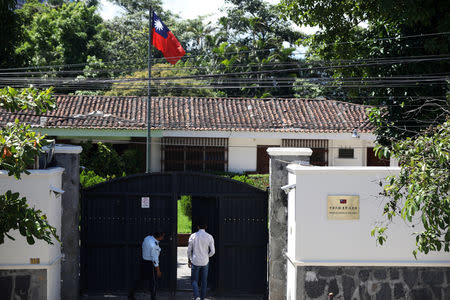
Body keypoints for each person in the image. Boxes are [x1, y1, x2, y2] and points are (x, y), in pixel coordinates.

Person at [129, 231, 165, 300]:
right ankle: (153, 297)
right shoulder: (154, 246)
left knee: (140, 279)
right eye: (162, 236)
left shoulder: (147, 238)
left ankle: (131, 294)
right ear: (159, 237)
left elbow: (143, 247)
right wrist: (158, 270)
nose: (163, 238)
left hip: (143, 261)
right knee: (153, 282)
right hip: (150, 264)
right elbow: (155, 259)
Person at [187, 221, 215, 300]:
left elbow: (189, 250)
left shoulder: (193, 236)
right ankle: (202, 298)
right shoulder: (209, 237)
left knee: (194, 281)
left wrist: (189, 259)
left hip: (195, 261)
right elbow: (213, 251)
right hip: (205, 261)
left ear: (198, 227)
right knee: (204, 281)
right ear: (206, 227)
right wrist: (207, 256)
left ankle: (196, 296)